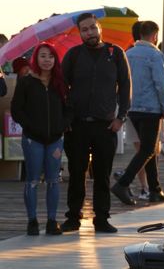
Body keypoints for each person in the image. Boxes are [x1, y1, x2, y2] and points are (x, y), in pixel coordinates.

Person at [61, 12, 131, 233]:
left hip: (105, 125)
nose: (89, 32)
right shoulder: (73, 55)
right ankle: (73, 217)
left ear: (99, 28)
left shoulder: (115, 53)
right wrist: (65, 119)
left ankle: (101, 218)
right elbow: (62, 89)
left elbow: (126, 87)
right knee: (76, 172)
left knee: (102, 174)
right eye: (85, 29)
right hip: (77, 125)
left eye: (92, 28)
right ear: (80, 32)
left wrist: (121, 118)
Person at [11, 43, 70, 235]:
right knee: (33, 180)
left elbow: (70, 109)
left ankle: (52, 221)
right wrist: (30, 126)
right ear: (36, 58)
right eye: (43, 56)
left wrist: (62, 126)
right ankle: (32, 221)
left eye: (51, 56)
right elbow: (16, 110)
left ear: (55, 60)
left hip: (55, 140)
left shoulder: (60, 83)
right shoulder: (26, 81)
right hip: (32, 139)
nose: (47, 60)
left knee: (54, 180)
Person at [111, 21, 164, 205]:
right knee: (147, 149)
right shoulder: (155, 55)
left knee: (148, 148)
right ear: (155, 35)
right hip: (151, 109)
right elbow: (162, 84)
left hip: (132, 108)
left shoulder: (128, 54)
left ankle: (155, 189)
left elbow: (120, 82)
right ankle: (123, 182)